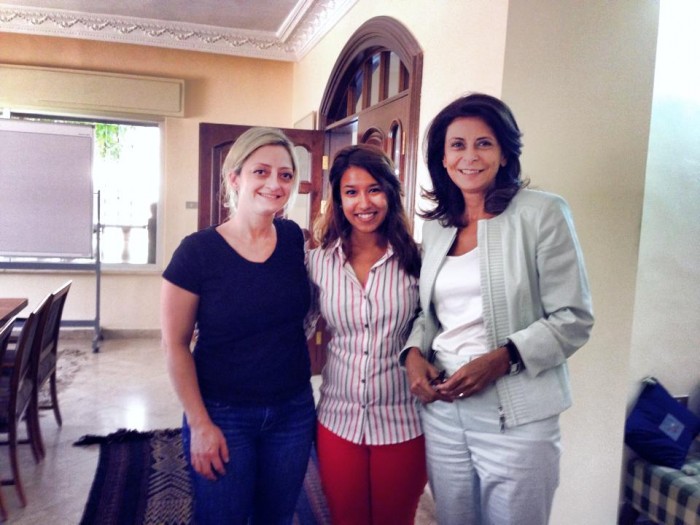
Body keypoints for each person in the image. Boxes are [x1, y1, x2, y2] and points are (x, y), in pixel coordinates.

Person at [401, 93, 594, 525]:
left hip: (518, 414)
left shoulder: (543, 213)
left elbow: (574, 318)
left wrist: (503, 358)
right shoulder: (436, 227)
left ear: (505, 152)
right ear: (442, 157)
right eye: (457, 145)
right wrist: (413, 355)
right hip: (444, 410)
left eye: (483, 143)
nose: (470, 156)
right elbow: (428, 314)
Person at [161, 127, 316, 524]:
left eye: (285, 175)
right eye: (261, 171)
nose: (274, 183)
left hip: (292, 410)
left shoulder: (293, 239)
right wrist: (199, 423)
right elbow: (175, 345)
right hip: (223, 413)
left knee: (275, 518)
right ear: (235, 178)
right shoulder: (196, 253)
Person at [306, 144, 427, 525]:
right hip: (338, 419)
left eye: (374, 189)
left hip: (404, 420)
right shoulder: (317, 262)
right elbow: (295, 324)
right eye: (351, 192)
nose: (364, 202)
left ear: (390, 193)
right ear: (338, 200)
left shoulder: (419, 260)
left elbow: (435, 323)